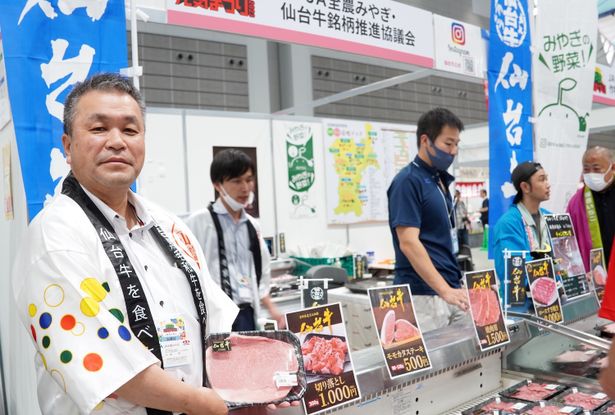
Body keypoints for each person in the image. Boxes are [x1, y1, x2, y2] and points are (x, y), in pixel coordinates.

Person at [12, 73, 294, 415]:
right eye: (99, 128)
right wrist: (214, 404)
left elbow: (215, 325)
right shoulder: (56, 235)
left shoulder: (170, 226)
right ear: (68, 147)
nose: (117, 141)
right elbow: (103, 364)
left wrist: (245, 391)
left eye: (130, 130)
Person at [387, 107, 469, 332]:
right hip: (422, 295)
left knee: (464, 364)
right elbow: (409, 242)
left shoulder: (439, 181)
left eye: (457, 144)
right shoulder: (407, 181)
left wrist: (452, 288)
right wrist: (444, 290)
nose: (453, 151)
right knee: (433, 365)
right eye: (448, 143)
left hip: (451, 289)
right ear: (425, 140)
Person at [185, 149, 286, 331]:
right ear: (218, 185)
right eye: (237, 181)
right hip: (215, 315)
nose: (245, 188)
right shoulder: (198, 223)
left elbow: (261, 272)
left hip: (246, 313)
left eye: (249, 180)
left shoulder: (252, 226)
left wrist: (272, 309)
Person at [492, 162, 551, 297]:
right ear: (525, 187)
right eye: (542, 179)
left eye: (547, 178)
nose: (548, 184)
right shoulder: (508, 223)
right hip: (520, 302)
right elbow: (513, 271)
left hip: (551, 297)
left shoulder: (551, 217)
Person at [566, 146, 615, 270]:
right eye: (586, 169)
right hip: (593, 275)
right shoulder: (576, 202)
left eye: (596, 169)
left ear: (613, 168)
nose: (591, 173)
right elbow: (568, 240)